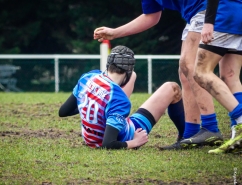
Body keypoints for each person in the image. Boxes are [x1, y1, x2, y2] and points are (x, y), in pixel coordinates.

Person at [93, 0, 224, 150]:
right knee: (184, 72)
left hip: (208, 10)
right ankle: (190, 134)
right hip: (194, 15)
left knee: (191, 65)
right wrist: (115, 32)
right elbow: (151, 16)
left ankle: (210, 127)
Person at [58, 45, 185, 149]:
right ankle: (185, 136)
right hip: (124, 135)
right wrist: (135, 142)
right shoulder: (120, 100)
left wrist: (91, 103)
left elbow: (63, 111)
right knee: (172, 88)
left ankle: (113, 115)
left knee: (124, 88)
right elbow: (108, 144)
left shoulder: (88, 77)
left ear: (109, 64)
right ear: (127, 72)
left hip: (91, 138)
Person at [191, 0, 242, 154]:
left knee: (201, 72)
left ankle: (241, 120)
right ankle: (237, 137)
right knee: (230, 76)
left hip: (224, 15)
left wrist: (208, 22)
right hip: (238, 15)